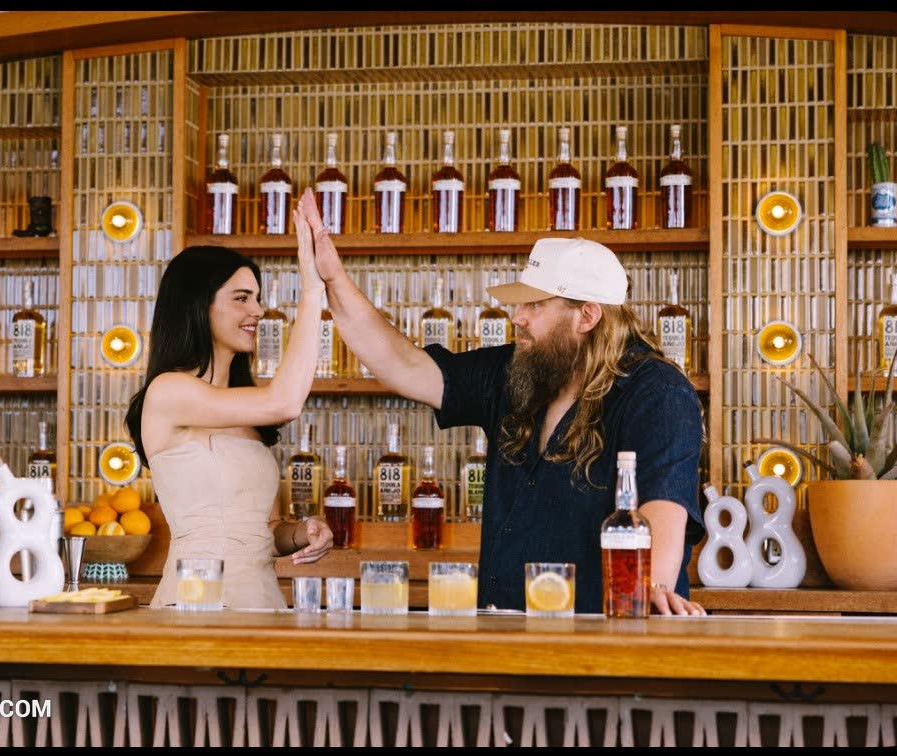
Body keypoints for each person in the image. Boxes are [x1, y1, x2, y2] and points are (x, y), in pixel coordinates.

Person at [302, 195, 705, 616]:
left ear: (587, 316)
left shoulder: (657, 393)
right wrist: (333, 277)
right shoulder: (517, 371)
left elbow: (663, 507)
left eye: (535, 304)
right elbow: (402, 366)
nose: (518, 317)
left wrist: (654, 586)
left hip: (598, 633)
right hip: (504, 629)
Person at [125, 191, 333, 610]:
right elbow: (286, 402)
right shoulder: (169, 391)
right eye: (241, 298)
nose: (258, 310)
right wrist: (313, 289)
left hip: (264, 607)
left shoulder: (245, 411)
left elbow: (265, 531)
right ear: (198, 306)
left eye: (257, 297)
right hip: (195, 607)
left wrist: (302, 532)